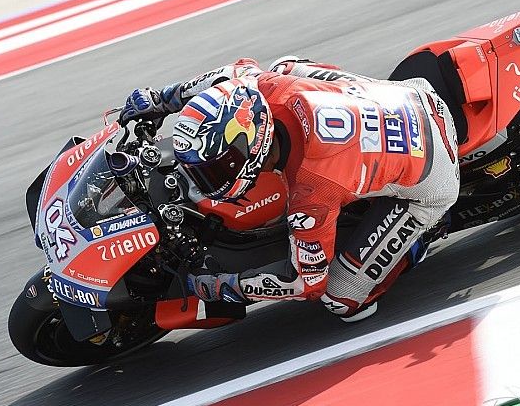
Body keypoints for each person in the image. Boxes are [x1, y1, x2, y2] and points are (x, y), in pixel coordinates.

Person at [119, 57, 460, 321]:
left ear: (252, 148)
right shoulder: (259, 88)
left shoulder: (311, 191)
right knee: (284, 66)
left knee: (340, 298)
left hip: (435, 174)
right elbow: (227, 74)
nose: (200, 180)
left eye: (214, 169)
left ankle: (424, 235)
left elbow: (304, 284)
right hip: (407, 96)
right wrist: (160, 100)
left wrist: (220, 285)